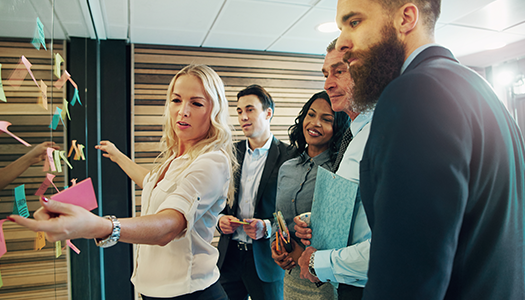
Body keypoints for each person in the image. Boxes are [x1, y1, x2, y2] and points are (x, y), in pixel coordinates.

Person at [334, 0, 525, 299]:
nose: (343, 42)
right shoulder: (484, 92)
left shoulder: (415, 91)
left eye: (354, 22)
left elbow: (406, 274)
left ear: (406, 18)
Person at [9, 64, 237, 300]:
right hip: (151, 291)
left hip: (191, 294)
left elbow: (170, 225)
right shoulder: (175, 157)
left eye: (196, 103)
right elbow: (151, 183)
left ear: (214, 111)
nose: (182, 111)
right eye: (176, 100)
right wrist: (118, 156)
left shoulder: (211, 162)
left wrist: (99, 226)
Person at [294, 38, 373, 300]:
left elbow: (396, 244)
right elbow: (359, 215)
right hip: (347, 284)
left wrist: (320, 262)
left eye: (339, 71)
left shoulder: (383, 136)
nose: (328, 84)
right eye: (326, 74)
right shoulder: (355, 136)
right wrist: (317, 221)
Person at [217, 85, 296, 300]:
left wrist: (267, 227)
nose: (243, 117)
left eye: (250, 109)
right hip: (229, 256)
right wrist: (220, 219)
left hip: (266, 258)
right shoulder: (229, 153)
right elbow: (216, 200)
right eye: (239, 111)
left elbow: (295, 211)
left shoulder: (290, 157)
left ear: (268, 113)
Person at [270, 91, 350, 299]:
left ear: (338, 128)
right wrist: (275, 248)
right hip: (290, 277)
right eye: (311, 115)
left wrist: (299, 254)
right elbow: (277, 219)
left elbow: (340, 234)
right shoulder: (287, 168)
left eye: (326, 119)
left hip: (323, 280)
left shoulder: (339, 172)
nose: (315, 123)